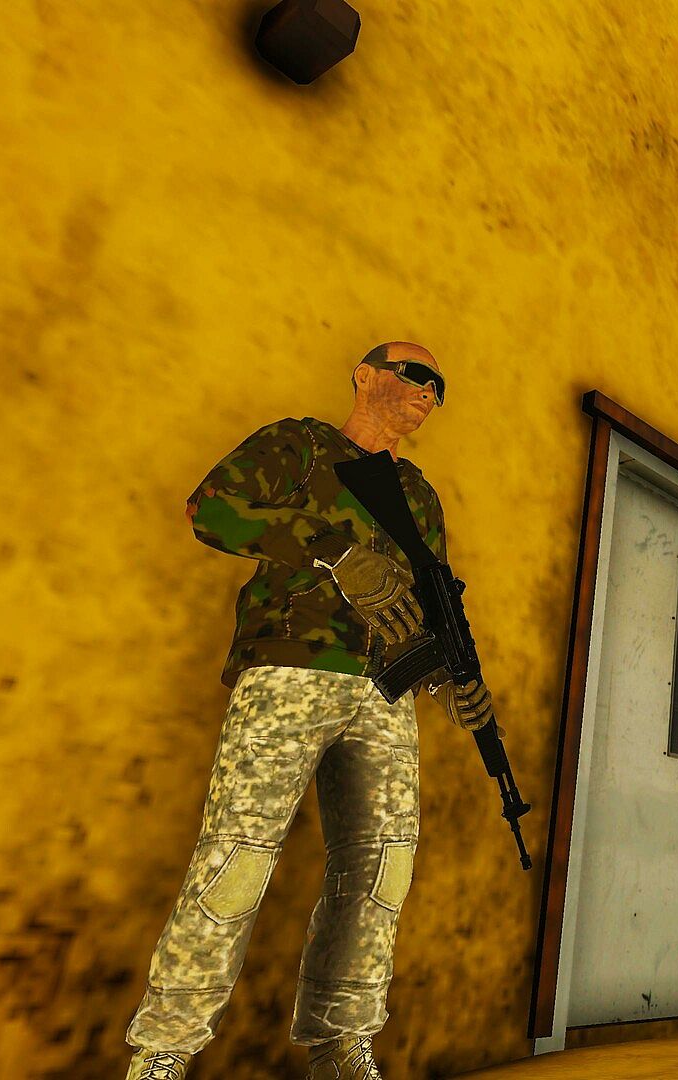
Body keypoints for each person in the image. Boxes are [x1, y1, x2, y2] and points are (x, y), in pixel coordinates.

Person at [123, 342, 496, 1080]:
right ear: (366, 376)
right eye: (416, 374)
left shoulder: (419, 495)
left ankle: (342, 1041)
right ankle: (165, 1047)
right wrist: (331, 551)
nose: (430, 391)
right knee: (238, 856)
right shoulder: (300, 447)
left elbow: (431, 596)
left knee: (381, 871)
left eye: (439, 386)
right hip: (292, 668)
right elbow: (212, 510)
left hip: (387, 692)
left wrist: (454, 677)